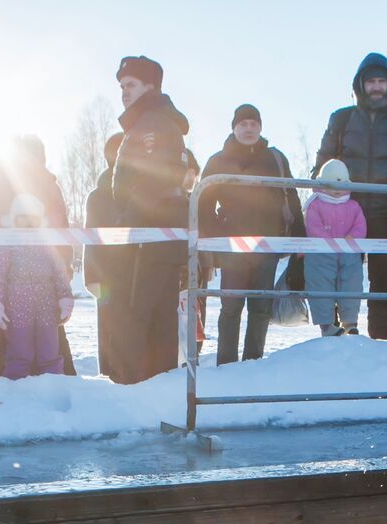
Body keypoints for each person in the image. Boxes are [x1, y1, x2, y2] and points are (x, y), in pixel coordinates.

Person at [315, 53, 387, 341]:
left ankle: (381, 342)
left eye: (381, 82)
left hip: (384, 213)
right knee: (339, 275)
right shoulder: (340, 119)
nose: (376, 87)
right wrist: (326, 201)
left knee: (383, 280)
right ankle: (339, 336)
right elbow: (323, 163)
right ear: (360, 86)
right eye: (371, 82)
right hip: (344, 210)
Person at [198, 103, 304, 365]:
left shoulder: (274, 158)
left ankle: (252, 363)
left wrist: (298, 234)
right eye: (243, 124)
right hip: (232, 247)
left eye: (253, 124)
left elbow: (291, 195)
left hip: (266, 245)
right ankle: (226, 364)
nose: (248, 128)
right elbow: (202, 204)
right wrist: (214, 238)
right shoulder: (218, 161)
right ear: (234, 127)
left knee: (260, 307)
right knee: (231, 307)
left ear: (260, 127)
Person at [111, 55, 190, 383]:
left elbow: (155, 180)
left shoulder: (154, 123)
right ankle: (156, 390)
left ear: (151, 86)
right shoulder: (149, 120)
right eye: (121, 86)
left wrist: (128, 224)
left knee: (141, 318)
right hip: (151, 234)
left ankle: (138, 393)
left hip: (151, 236)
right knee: (153, 318)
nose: (124, 92)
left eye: (130, 85)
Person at [0, 134, 76, 377]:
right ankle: (53, 387)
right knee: (46, 345)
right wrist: (63, 272)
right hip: (30, 286)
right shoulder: (44, 185)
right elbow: (61, 233)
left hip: (23, 288)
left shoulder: (3, 186)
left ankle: (17, 389)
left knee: (21, 345)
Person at [305, 159, 366, 336]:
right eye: (332, 184)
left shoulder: (353, 206)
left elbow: (360, 225)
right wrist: (328, 242)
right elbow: (313, 226)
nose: (337, 190)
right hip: (321, 255)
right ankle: (326, 325)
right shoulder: (314, 204)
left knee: (351, 285)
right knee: (321, 286)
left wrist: (352, 238)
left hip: (349, 254)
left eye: (341, 184)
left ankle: (350, 322)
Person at [85, 132, 128, 380]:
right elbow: (91, 240)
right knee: (109, 329)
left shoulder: (140, 191)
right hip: (107, 277)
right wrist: (92, 277)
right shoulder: (98, 195)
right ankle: (109, 379)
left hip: (137, 274)